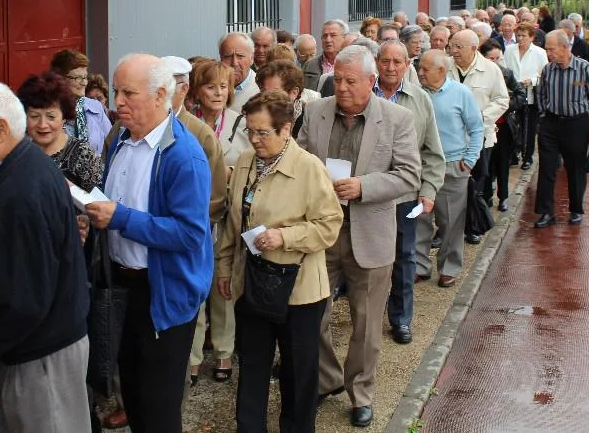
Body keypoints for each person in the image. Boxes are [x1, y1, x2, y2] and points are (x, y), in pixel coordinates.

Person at [0, 81, 91, 433]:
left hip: (40, 359)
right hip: (32, 350)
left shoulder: (20, 191)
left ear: (0, 129)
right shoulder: (23, 168)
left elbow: (22, 303)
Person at [84, 54, 212, 433]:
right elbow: (114, 205)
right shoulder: (120, 140)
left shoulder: (183, 155)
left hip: (163, 295)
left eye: (128, 93)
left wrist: (119, 218)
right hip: (123, 288)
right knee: (134, 399)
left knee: (158, 410)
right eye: (116, 92)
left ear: (160, 95)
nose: (118, 102)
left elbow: (190, 234)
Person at [297, 47, 421, 428]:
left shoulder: (397, 118)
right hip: (322, 233)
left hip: (369, 234)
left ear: (371, 81)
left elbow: (409, 176)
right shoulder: (316, 111)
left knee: (366, 326)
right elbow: (298, 159)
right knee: (311, 315)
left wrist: (363, 186)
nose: (342, 88)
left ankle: (361, 394)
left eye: (351, 81)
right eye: (338, 80)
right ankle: (327, 378)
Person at [215, 91, 343, 433]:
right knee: (252, 364)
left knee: (298, 371)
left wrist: (284, 237)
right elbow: (233, 223)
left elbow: (329, 225)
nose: (255, 139)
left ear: (286, 129)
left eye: (263, 132)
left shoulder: (309, 168)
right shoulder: (245, 161)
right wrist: (225, 268)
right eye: (250, 131)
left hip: (299, 290)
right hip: (252, 282)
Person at [374, 41, 444, 346]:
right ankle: (367, 312)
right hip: (368, 192)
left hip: (404, 195)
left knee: (404, 257)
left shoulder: (420, 99)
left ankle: (401, 318)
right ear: (376, 62)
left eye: (397, 62)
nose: (391, 68)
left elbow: (433, 151)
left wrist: (428, 190)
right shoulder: (364, 93)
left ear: (407, 65)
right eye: (385, 61)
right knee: (366, 256)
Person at [415, 51, 484, 288]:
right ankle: (419, 266)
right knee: (420, 218)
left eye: (425, 69)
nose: (420, 73)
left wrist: (470, 159)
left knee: (451, 221)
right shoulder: (417, 93)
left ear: (442, 71)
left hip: (453, 166)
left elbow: (476, 128)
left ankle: (449, 268)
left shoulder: (461, 93)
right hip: (422, 166)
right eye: (420, 68)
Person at [533, 31, 589, 228]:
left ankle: (576, 209)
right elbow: (541, 94)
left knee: (575, 168)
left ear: (565, 47)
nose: (548, 53)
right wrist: (543, 116)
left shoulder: (584, 68)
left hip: (576, 124)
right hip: (551, 123)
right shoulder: (548, 70)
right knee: (547, 168)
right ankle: (546, 212)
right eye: (547, 49)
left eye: (551, 49)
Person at [446, 30, 509, 245]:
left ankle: (472, 227)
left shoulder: (491, 70)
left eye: (459, 47)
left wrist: (480, 117)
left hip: (480, 137)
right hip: (449, 137)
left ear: (473, 49)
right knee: (450, 185)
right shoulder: (445, 67)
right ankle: (447, 229)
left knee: (475, 184)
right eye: (452, 46)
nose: (454, 51)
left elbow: (502, 100)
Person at [17, 71, 103, 194]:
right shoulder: (19, 153)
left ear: (64, 117)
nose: (42, 124)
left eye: (51, 117)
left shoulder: (82, 154)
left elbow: (100, 200)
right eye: (35, 116)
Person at [478, 41, 524, 212]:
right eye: (492, 58)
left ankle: (503, 197)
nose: (496, 62)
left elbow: (520, 94)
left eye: (498, 58)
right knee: (486, 164)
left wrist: (504, 105)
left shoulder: (506, 73)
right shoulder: (479, 75)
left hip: (503, 127)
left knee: (503, 163)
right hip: (485, 126)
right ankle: (486, 196)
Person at [190, 59, 252, 166]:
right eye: (211, 87)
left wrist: (231, 171)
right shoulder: (184, 123)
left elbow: (251, 166)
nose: (218, 93)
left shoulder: (243, 124)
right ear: (197, 91)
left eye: (223, 87)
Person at [51, 49, 113, 156]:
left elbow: (111, 147)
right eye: (78, 78)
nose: (84, 83)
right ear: (60, 79)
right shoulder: (48, 112)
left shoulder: (96, 107)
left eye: (85, 77)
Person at [504, 23, 548, 171]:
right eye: (518, 35)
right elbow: (505, 70)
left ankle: (527, 157)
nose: (520, 38)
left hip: (530, 95)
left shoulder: (539, 53)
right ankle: (513, 155)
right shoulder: (510, 50)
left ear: (531, 37)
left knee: (528, 127)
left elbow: (545, 75)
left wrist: (533, 81)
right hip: (513, 94)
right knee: (512, 126)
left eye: (524, 36)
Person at [256, 59, 319, 138]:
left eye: (274, 92)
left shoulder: (308, 121)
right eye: (263, 91)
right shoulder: (257, 115)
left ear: (294, 93)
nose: (266, 97)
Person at [219, 33, 260, 112]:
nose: (234, 63)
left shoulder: (260, 90)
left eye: (240, 56)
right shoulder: (210, 86)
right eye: (228, 56)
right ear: (220, 57)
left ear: (252, 58)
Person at [303, 20, 347, 91]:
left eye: (333, 35)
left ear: (344, 37)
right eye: (325, 36)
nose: (328, 40)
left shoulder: (350, 64)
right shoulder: (309, 65)